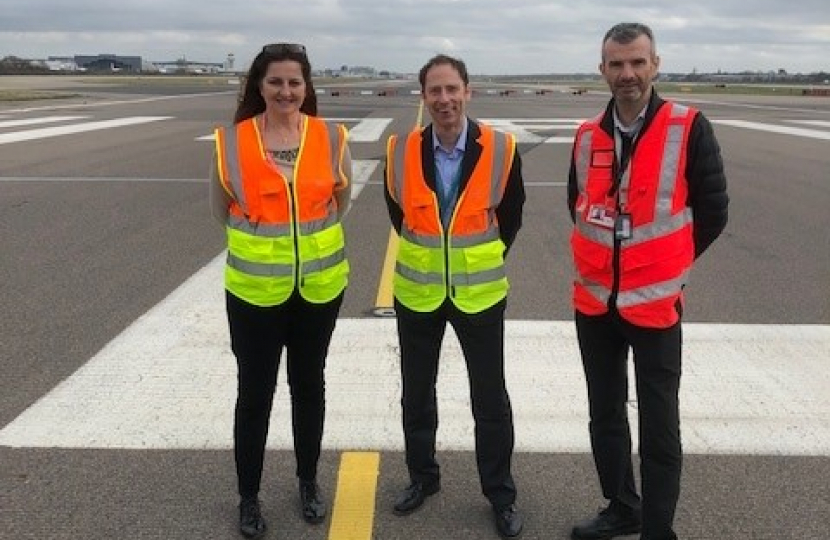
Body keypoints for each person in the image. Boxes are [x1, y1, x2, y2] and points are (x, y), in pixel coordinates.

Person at [567, 23, 729, 540]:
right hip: (595, 305)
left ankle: (658, 528)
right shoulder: (587, 134)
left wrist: (670, 266)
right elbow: (578, 206)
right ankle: (622, 506)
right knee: (605, 416)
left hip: (656, 306)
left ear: (655, 65)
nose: (627, 74)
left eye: (637, 62)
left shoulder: (688, 126)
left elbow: (713, 210)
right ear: (602, 71)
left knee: (660, 427)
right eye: (616, 64)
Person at [210, 42, 352, 539]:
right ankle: (249, 497)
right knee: (255, 395)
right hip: (254, 295)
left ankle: (307, 482)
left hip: (318, 289)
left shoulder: (330, 137)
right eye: (276, 82)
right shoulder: (232, 142)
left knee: (309, 387)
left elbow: (340, 200)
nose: (286, 91)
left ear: (306, 87)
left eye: (295, 82)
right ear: (259, 87)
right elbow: (220, 207)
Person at [384, 54, 526, 539]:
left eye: (452, 90)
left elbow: (511, 216)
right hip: (419, 293)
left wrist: (473, 259)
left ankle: (500, 495)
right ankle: (422, 477)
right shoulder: (399, 149)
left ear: (468, 91)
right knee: (417, 395)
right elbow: (397, 212)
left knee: (489, 400)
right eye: (434, 91)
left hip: (478, 293)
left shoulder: (501, 148)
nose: (443, 100)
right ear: (423, 97)